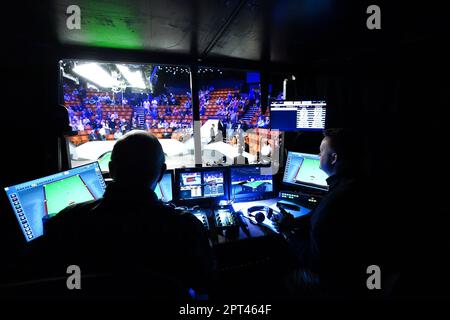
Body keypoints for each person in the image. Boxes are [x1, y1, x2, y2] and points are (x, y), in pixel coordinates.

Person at [31, 131, 214, 300]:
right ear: (161, 173)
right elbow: (204, 285)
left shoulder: (67, 221)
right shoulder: (186, 227)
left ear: (111, 169)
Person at [273, 128, 379, 298]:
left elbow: (313, 261)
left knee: (277, 274)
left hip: (333, 282)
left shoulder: (334, 201)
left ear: (334, 158)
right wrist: (294, 223)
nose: (318, 154)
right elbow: (322, 218)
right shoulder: (354, 185)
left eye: (321, 151)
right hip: (363, 274)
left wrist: (287, 233)